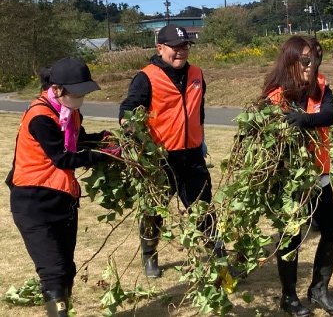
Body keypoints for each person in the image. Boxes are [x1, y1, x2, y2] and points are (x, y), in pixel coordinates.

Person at [7, 58, 112, 317]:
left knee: (66, 267)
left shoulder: (69, 112)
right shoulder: (40, 117)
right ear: (57, 89)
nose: (81, 97)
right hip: (34, 203)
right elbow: (63, 157)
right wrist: (104, 156)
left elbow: (78, 139)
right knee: (53, 270)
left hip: (62, 201)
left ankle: (61, 311)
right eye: (77, 92)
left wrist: (103, 139)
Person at [119, 24, 213, 279]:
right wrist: (132, 134)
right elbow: (128, 111)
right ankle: (149, 255)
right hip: (161, 158)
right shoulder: (146, 77)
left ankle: (216, 253)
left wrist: (200, 138)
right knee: (154, 209)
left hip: (192, 154)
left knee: (203, 206)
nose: (181, 52)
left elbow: (199, 110)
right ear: (160, 48)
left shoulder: (197, 73)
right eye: (175, 47)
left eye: (185, 47)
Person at [263, 36, 333, 316]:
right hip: (290, 181)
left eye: (316, 59)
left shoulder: (321, 86)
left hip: (319, 175)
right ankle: (289, 297)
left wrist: (306, 120)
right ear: (291, 61)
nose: (312, 66)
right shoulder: (275, 96)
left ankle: (319, 290)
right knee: (291, 237)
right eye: (306, 60)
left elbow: (329, 115)